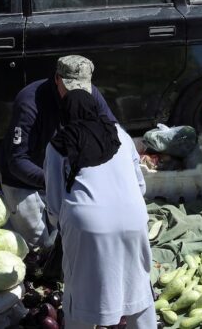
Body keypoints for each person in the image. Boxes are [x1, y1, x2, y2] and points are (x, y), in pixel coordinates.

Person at [44, 89, 156, 329]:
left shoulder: (59, 145)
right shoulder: (121, 136)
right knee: (136, 281)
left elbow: (53, 204)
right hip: (134, 218)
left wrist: (59, 226)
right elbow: (140, 185)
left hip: (87, 222)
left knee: (81, 290)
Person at [0, 55, 118, 249]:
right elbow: (17, 160)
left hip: (64, 174)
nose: (76, 93)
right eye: (70, 88)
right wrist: (55, 180)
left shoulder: (92, 94)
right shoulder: (29, 101)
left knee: (68, 238)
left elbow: (111, 130)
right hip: (22, 178)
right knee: (40, 245)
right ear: (57, 78)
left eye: (82, 88)